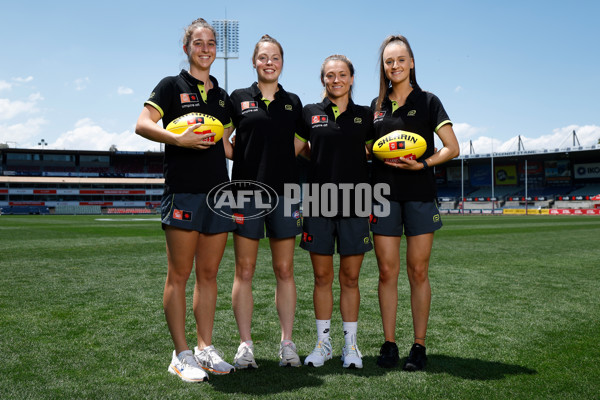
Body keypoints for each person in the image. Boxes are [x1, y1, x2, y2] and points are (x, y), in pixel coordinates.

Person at [135, 18, 236, 382]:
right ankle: (181, 354)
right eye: (198, 42)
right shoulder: (170, 86)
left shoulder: (223, 97)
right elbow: (142, 124)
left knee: (209, 275)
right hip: (182, 191)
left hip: (217, 194)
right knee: (180, 275)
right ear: (187, 48)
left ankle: (205, 348)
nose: (206, 48)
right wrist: (178, 140)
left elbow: (227, 146)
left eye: (211, 43)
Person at [370, 35, 460, 371]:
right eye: (389, 61)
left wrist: (421, 164)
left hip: (420, 194)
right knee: (386, 272)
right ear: (384, 66)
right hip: (382, 196)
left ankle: (419, 345)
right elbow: (366, 148)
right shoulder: (375, 106)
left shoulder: (429, 101)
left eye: (400, 60)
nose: (394, 66)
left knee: (418, 271)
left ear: (411, 63)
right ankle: (390, 343)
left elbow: (452, 147)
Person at [224, 35, 304, 368]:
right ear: (254, 62)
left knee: (284, 270)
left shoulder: (293, 101)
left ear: (281, 62)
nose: (269, 62)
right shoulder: (238, 98)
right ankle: (245, 345)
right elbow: (221, 139)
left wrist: (281, 163)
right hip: (246, 194)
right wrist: (242, 159)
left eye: (275, 57)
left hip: (285, 194)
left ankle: (287, 343)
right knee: (244, 270)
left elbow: (299, 144)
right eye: (263, 58)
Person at [295, 55, 374, 369]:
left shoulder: (366, 116)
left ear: (352, 78)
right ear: (323, 80)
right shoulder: (309, 114)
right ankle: (323, 344)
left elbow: (374, 152)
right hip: (318, 200)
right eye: (330, 75)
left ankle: (351, 347)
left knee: (351, 278)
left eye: (342, 74)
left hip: (356, 201)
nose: (336, 80)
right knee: (322, 276)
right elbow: (296, 149)